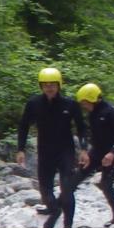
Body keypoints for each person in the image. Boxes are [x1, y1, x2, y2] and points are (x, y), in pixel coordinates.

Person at [51, 82, 114, 228]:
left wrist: (112, 153)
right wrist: (86, 152)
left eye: (85, 102)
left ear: (92, 99)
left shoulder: (111, 111)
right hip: (96, 152)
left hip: (111, 154)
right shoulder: (92, 114)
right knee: (73, 180)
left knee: (106, 184)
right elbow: (90, 134)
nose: (83, 106)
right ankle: (56, 209)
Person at [15, 66, 88, 218]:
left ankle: (67, 226)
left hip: (65, 150)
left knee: (66, 187)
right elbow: (24, 126)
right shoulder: (34, 103)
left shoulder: (70, 104)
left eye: (52, 85)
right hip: (45, 150)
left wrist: (83, 149)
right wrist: (20, 149)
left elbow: (81, 127)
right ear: (41, 86)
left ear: (59, 85)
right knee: (45, 188)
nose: (49, 88)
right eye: (45, 85)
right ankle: (54, 210)